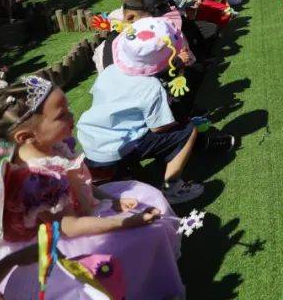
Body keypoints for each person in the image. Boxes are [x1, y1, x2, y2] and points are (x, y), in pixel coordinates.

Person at [0, 76, 185, 299]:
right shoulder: (36, 180)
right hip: (64, 239)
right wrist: (124, 222)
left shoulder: (50, 146)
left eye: (68, 108)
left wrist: (110, 198)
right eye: (62, 115)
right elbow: (69, 226)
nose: (72, 116)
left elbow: (77, 182)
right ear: (27, 136)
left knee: (148, 200)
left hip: (82, 211)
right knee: (140, 239)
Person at [76, 17, 209, 203]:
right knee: (186, 131)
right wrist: (180, 121)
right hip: (117, 149)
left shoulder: (110, 71)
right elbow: (158, 128)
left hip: (90, 143)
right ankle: (173, 187)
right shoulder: (151, 86)